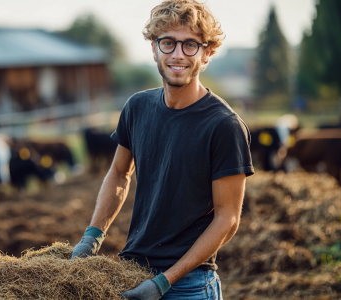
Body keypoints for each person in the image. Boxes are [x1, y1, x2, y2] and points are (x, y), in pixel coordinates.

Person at [70, 1, 254, 299]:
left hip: (189, 285)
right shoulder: (137, 107)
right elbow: (119, 174)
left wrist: (163, 282)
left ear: (207, 54)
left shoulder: (224, 125)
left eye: (190, 45)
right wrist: (91, 237)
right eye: (168, 43)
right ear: (154, 49)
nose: (178, 54)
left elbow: (228, 219)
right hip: (131, 271)